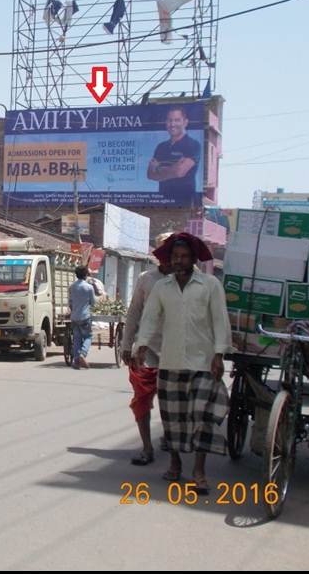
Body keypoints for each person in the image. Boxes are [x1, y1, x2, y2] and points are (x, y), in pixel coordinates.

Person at [135, 233, 232, 494]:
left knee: (202, 417)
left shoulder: (210, 285)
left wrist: (219, 354)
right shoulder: (161, 288)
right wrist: (140, 344)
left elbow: (221, 320)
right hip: (171, 362)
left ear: (193, 258)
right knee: (172, 419)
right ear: (170, 259)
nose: (179, 261)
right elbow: (150, 319)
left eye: (184, 256)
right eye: (175, 256)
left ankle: (199, 470)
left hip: (203, 363)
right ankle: (175, 462)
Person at [120, 232, 173, 466]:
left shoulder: (192, 279)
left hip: (176, 349)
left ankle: (171, 440)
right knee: (142, 397)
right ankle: (147, 448)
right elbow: (133, 312)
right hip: (146, 348)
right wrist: (126, 343)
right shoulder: (146, 279)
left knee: (171, 400)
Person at [146, 106, 201, 206]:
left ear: (185, 122)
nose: (172, 124)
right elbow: (150, 175)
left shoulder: (193, 145)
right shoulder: (161, 147)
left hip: (185, 204)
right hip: (161, 203)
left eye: (177, 120)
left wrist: (159, 169)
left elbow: (180, 172)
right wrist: (173, 169)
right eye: (169, 120)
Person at [69, 265, 97, 369]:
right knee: (88, 336)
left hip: (74, 317)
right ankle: (83, 354)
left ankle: (76, 360)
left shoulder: (72, 286)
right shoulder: (89, 287)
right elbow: (93, 303)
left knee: (77, 338)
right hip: (85, 316)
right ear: (86, 275)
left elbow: (70, 302)